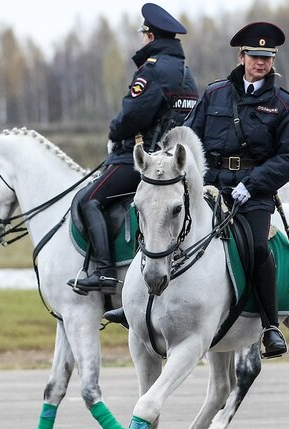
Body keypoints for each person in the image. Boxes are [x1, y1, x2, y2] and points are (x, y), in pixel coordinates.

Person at [183, 21, 289, 358]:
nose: (260, 62)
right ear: (242, 57)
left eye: (266, 57)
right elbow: (190, 138)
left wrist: (252, 185)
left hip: (253, 192)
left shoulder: (284, 104)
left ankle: (269, 326)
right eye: (254, 56)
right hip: (210, 186)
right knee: (167, 226)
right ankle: (143, 305)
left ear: (272, 60)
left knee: (256, 247)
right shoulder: (214, 94)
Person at [69, 3, 199, 294]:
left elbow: (133, 115)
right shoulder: (185, 72)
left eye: (143, 35)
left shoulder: (152, 71)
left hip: (144, 158)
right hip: (175, 160)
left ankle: (104, 273)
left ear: (150, 37)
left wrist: (114, 131)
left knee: (89, 200)